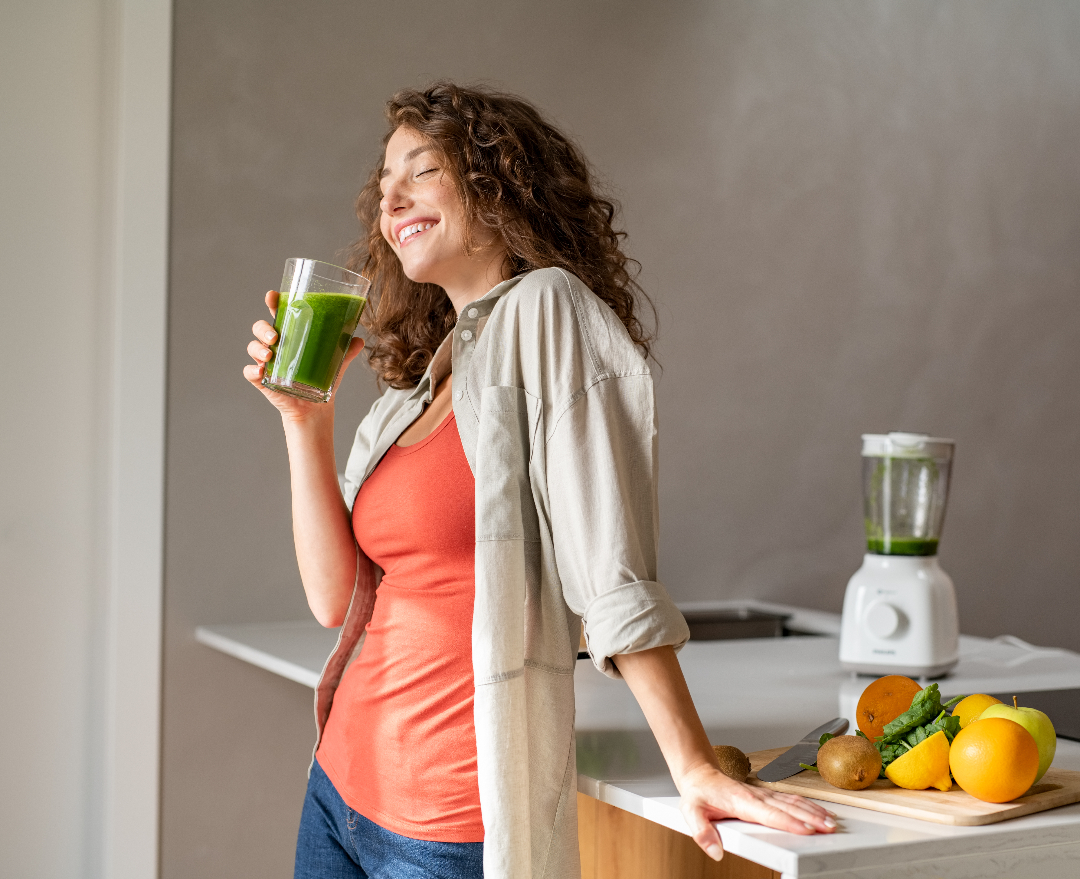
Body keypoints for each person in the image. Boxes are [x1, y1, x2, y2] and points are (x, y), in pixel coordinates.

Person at [244, 82, 835, 879]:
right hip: (337, 792)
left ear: (497, 184)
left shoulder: (549, 311)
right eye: (385, 182)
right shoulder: (415, 392)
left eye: (419, 169)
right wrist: (302, 418)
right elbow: (334, 599)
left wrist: (693, 763)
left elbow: (611, 568)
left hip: (446, 827)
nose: (391, 195)